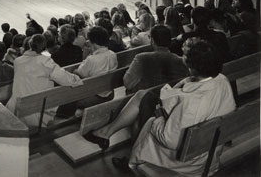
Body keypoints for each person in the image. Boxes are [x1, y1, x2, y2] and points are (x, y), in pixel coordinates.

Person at [87, 39, 236, 177]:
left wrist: (158, 118)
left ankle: (131, 160)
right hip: (209, 147)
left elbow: (169, 140)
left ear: (192, 67)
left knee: (148, 112)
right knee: (144, 96)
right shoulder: (222, 80)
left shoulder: (191, 102)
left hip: (188, 161)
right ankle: (105, 134)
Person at [6, 33, 83, 127]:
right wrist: (78, 79)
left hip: (16, 110)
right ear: (44, 47)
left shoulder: (17, 61)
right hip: (37, 111)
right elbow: (65, 79)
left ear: (30, 45)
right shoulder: (45, 62)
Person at [123, 26, 188, 93]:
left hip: (148, 99)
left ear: (153, 41)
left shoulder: (141, 58)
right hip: (172, 98)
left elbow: (127, 83)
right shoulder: (180, 60)